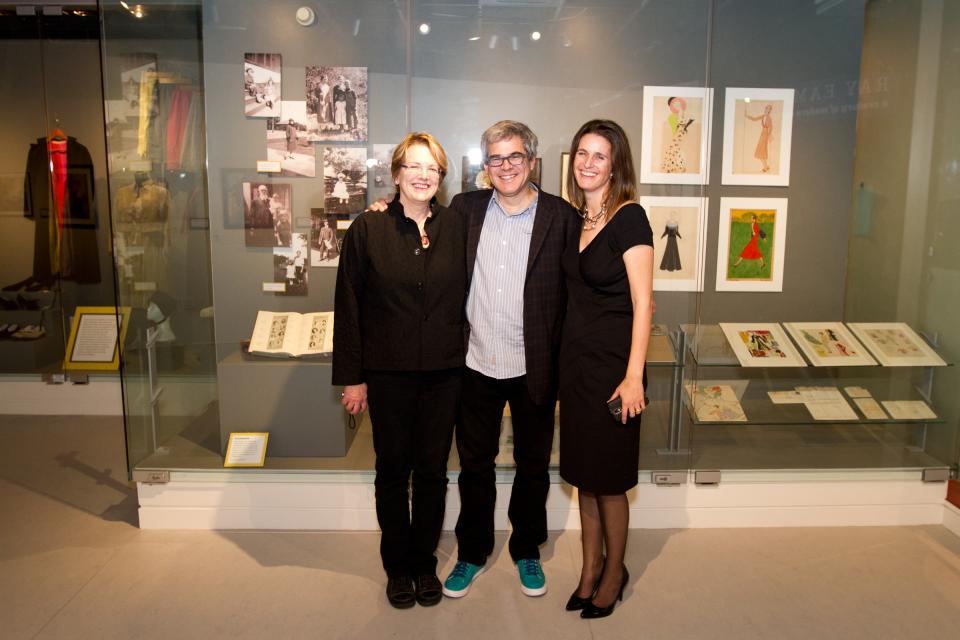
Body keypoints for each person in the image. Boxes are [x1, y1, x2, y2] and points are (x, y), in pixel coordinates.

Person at [442, 121, 580, 600]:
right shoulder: (465, 209)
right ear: (486, 167)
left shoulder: (562, 217)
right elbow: (424, 235)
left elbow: (577, 293)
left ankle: (526, 549)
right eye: (496, 159)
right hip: (476, 360)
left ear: (532, 161)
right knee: (474, 466)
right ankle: (472, 552)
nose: (505, 167)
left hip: (534, 363)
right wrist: (384, 207)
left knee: (533, 464)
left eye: (514, 157)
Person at [332, 132, 466, 610]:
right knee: (392, 471)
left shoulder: (457, 226)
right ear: (395, 174)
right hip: (387, 375)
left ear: (441, 176)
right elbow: (347, 307)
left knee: (432, 473)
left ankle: (424, 563)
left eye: (432, 167)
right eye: (414, 166)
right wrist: (353, 377)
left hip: (446, 373)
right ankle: (397, 566)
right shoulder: (368, 230)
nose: (423, 174)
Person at [559, 119, 653, 619]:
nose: (587, 163)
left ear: (616, 164)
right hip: (576, 370)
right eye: (581, 153)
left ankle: (614, 574)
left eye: (599, 155)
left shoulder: (630, 218)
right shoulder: (576, 218)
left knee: (610, 482)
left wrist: (634, 375)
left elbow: (644, 304)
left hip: (616, 372)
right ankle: (589, 570)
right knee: (584, 478)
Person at [661, 96, 693, 173]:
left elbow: (691, 119)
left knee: (677, 154)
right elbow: (673, 130)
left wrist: (685, 127)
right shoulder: (671, 117)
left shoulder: (683, 113)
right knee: (672, 154)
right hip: (675, 139)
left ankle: (676, 169)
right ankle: (671, 169)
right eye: (672, 105)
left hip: (680, 138)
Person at [746, 104, 773, 172]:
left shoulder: (769, 118)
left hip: (765, 135)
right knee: (761, 151)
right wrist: (747, 116)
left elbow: (771, 127)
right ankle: (766, 167)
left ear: (770, 111)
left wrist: (769, 135)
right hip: (762, 134)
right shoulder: (763, 116)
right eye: (766, 108)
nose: (767, 109)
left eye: (768, 109)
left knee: (761, 151)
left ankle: (765, 168)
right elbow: (754, 119)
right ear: (765, 109)